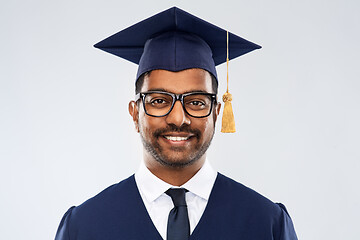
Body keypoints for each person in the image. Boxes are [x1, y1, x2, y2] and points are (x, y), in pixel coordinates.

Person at [55, 7, 298, 240]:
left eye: (196, 102)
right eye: (159, 100)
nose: (178, 118)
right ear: (134, 113)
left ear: (216, 113)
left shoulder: (266, 223)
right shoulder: (84, 226)